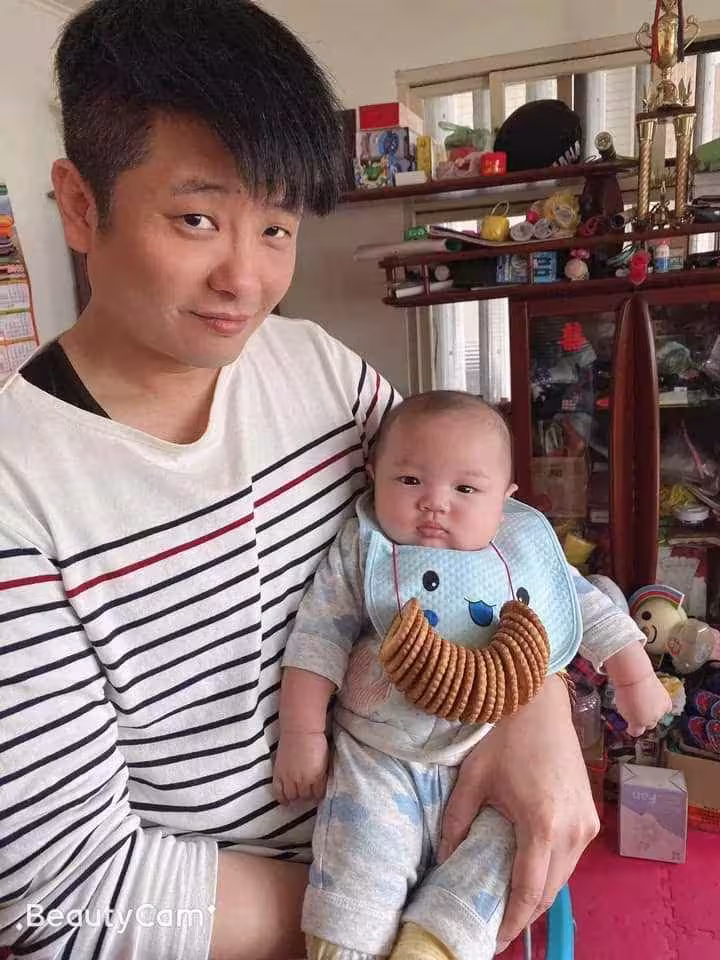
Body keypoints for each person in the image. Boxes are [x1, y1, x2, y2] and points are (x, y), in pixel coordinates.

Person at [0, 3, 599, 959]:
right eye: (197, 219)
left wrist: (536, 709)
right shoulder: (19, 493)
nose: (246, 279)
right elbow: (64, 905)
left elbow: (479, 528)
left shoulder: (320, 373)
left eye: (277, 226)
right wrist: (366, 909)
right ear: (79, 204)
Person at [274, 391, 671, 960]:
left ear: (506, 501)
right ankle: (346, 944)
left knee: (505, 845)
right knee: (358, 858)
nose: (434, 503)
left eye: (465, 489)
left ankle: (436, 942)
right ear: (374, 476)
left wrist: (634, 677)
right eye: (409, 480)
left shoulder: (522, 551)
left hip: (491, 752)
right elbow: (319, 637)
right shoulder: (365, 548)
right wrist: (302, 733)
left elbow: (587, 607)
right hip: (379, 754)